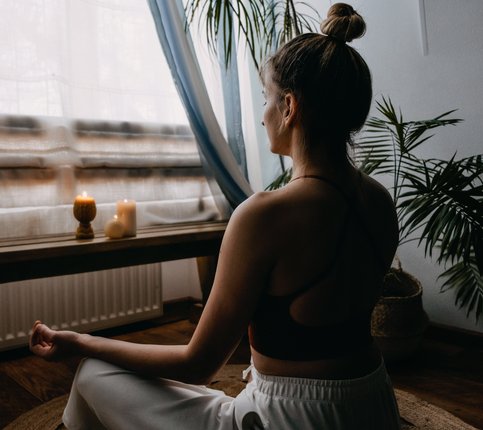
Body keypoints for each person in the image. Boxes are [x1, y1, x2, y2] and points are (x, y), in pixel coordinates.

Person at [30, 3, 402, 429]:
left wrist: (82, 342)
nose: (263, 116)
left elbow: (197, 364)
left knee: (96, 371)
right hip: (373, 406)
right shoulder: (378, 200)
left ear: (290, 107)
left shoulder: (265, 215)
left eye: (266, 99)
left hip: (293, 419)